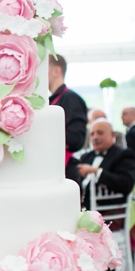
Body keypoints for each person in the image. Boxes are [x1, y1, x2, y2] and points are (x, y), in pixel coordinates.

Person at [78, 119, 135, 210]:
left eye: (100, 133)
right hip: (82, 208)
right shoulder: (86, 156)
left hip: (109, 211)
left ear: (113, 135)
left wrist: (97, 171)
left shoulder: (124, 155)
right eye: (92, 134)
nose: (95, 137)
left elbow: (126, 184)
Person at [48, 54, 87, 186]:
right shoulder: (50, 100)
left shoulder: (71, 99)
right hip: (53, 166)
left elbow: (76, 139)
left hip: (65, 171)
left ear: (56, 71)